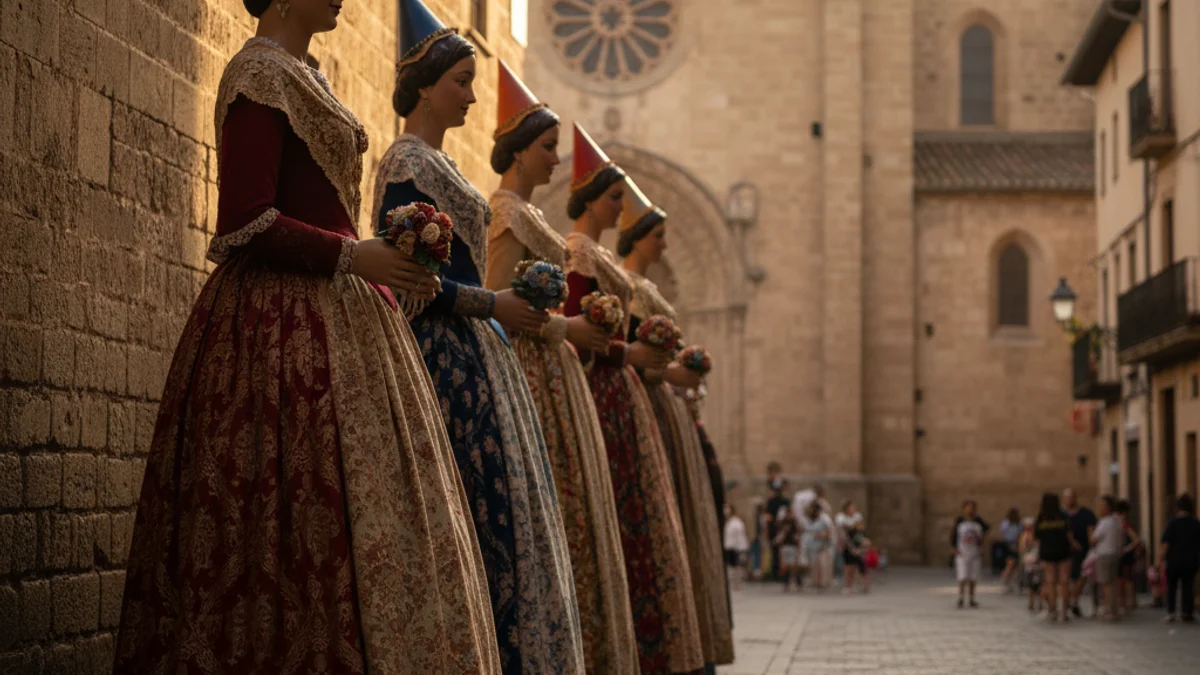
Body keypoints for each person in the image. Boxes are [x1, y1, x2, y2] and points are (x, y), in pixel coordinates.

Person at [114, 1, 502, 672]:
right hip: (275, 326)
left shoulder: (303, 73)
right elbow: (245, 219)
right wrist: (355, 257)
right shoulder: (258, 75)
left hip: (341, 313)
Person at [373, 2, 584, 670]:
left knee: (504, 516)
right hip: (446, 359)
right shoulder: (407, 161)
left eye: (471, 79)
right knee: (481, 511)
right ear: (426, 85)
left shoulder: (439, 164)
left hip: (476, 353)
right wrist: (492, 301)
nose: (470, 94)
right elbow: (412, 281)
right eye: (461, 81)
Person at [483, 61, 636, 673]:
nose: (554, 158)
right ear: (520, 153)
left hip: (557, 376)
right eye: (547, 147)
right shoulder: (509, 214)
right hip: (532, 374)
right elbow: (496, 302)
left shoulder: (531, 216)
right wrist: (564, 328)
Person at [562, 123, 704, 675]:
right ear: (594, 199)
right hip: (605, 395)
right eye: (616, 197)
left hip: (625, 397)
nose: (621, 209)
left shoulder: (595, 259)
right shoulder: (579, 253)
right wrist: (635, 359)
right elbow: (574, 325)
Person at [620, 176, 735, 669]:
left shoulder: (640, 285)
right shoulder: (623, 285)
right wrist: (670, 371)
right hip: (650, 410)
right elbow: (624, 351)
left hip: (669, 410)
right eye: (658, 234)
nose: (666, 244)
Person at [1035, 492, 1079, 622]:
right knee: (1065, 582)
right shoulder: (1063, 516)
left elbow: (1036, 537)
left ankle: (1052, 611)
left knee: (1051, 582)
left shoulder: (1041, 518)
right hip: (1063, 551)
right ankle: (1064, 612)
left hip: (1047, 552)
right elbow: (1069, 535)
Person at [1159, 493, 1200, 623]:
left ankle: (1171, 612)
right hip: (1191, 561)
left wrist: (1159, 559)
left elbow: (1166, 544)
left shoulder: (1173, 523)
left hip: (1174, 561)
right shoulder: (1195, 523)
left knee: (1172, 586)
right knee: (1188, 586)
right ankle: (1187, 612)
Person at [1064, 488, 1097, 618]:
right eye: (1066, 497)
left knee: (1081, 577)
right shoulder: (1062, 515)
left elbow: (1091, 530)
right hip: (1066, 552)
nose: (1068, 500)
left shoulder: (1086, 514)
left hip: (1083, 551)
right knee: (1068, 579)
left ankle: (1073, 601)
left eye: (1071, 497)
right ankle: (1072, 602)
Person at [951, 500, 989, 609]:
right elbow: (953, 535)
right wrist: (954, 548)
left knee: (973, 577)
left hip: (975, 553)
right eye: (968, 507)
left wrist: (982, 547)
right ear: (963, 509)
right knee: (962, 576)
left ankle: (972, 598)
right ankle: (961, 597)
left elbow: (985, 532)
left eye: (972, 507)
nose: (970, 510)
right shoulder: (959, 521)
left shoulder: (978, 522)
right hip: (962, 553)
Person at [1091, 495, 1123, 621]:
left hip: (1104, 555)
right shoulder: (1116, 521)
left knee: (1106, 584)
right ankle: (1113, 610)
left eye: (1102, 506)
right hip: (1114, 554)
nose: (1099, 508)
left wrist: (1090, 532)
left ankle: (1109, 611)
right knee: (1112, 584)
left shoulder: (1104, 522)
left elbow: (1093, 539)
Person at [1115, 499, 1143, 614]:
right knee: (1128, 579)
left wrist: (1127, 548)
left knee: (1122, 579)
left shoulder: (1122, 523)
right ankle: (1130, 601)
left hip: (1124, 554)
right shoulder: (1125, 522)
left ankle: (1124, 603)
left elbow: (1136, 539)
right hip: (1126, 553)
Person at [836, 500, 869, 594]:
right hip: (847, 544)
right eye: (851, 508)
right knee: (848, 566)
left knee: (856, 565)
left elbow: (860, 528)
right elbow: (842, 531)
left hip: (857, 543)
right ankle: (847, 585)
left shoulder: (857, 516)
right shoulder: (841, 517)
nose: (853, 510)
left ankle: (854, 584)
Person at [803, 501, 835, 590]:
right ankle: (816, 582)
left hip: (823, 545)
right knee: (815, 565)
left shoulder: (824, 518)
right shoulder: (811, 519)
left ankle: (823, 583)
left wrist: (821, 535)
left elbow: (830, 531)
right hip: (813, 546)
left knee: (823, 564)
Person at [773, 505, 802, 593]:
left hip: (793, 546)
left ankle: (797, 583)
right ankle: (786, 583)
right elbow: (779, 535)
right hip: (785, 546)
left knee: (794, 566)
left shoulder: (795, 523)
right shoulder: (782, 523)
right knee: (785, 566)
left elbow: (799, 534)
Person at [1019, 517, 1044, 613]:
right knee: (1031, 586)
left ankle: (1040, 603)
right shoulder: (1025, 536)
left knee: (1040, 585)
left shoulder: (1039, 536)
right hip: (1029, 564)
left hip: (1039, 564)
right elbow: (1022, 549)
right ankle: (1031, 603)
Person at [723, 504, 749, 590]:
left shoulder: (737, 523)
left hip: (737, 547)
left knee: (737, 566)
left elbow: (740, 536)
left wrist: (742, 548)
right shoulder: (728, 522)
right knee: (731, 566)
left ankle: (737, 583)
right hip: (729, 546)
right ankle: (733, 582)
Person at [999, 507, 1022, 593]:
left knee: (1015, 566)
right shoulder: (1007, 523)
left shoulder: (1018, 523)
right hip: (1009, 544)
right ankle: (1004, 582)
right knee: (1010, 565)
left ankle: (1011, 583)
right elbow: (1003, 531)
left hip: (1016, 544)